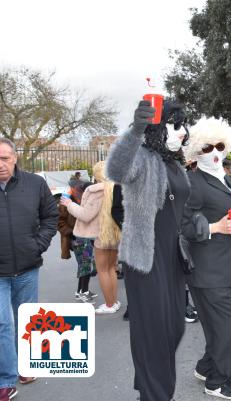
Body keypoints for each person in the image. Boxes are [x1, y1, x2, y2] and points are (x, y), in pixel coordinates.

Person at [106, 99, 190, 401]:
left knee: (174, 329)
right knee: (153, 332)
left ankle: (149, 385)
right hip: (146, 257)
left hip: (174, 258)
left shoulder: (174, 162)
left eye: (183, 126)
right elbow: (115, 169)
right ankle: (157, 395)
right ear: (158, 127)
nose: (182, 132)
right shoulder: (141, 156)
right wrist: (136, 129)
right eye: (175, 125)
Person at [182, 118, 231, 400]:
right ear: (196, 152)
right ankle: (217, 381)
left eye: (220, 146)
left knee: (221, 323)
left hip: (225, 266)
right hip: (206, 269)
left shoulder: (224, 177)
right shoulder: (192, 183)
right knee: (229, 323)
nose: (215, 152)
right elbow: (182, 226)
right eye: (207, 147)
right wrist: (214, 227)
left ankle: (206, 366)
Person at [0, 137, 58, 401]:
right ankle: (6, 379)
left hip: (27, 267)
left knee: (26, 320)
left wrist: (38, 245)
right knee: (3, 323)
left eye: (5, 158)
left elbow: (51, 216)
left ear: (15, 158)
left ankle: (26, 366)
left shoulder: (35, 184)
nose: (1, 164)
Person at [61, 161, 121, 314]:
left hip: (101, 235)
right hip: (114, 233)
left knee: (103, 271)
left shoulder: (95, 191)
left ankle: (109, 304)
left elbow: (86, 215)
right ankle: (114, 302)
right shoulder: (117, 187)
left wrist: (69, 204)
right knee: (111, 269)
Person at [58, 180, 97, 303]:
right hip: (78, 239)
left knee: (85, 265)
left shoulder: (84, 200)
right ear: (75, 189)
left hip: (86, 238)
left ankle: (81, 291)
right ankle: (83, 292)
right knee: (85, 265)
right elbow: (59, 222)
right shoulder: (66, 203)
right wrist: (72, 232)